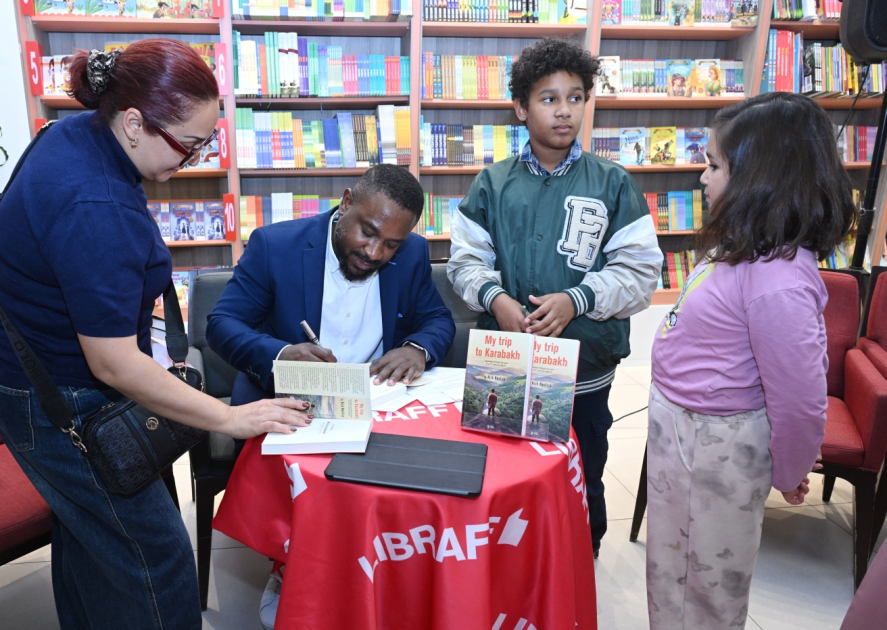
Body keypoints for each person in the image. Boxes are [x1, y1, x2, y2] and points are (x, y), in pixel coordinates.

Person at [0, 39, 311, 630]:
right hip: (61, 403)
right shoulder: (95, 203)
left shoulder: (75, 134)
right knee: (155, 557)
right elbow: (112, 364)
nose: (195, 159)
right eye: (189, 145)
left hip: (33, 381)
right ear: (133, 122)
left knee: (89, 542)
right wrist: (232, 418)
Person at [206, 163, 456, 630]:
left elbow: (437, 321)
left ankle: (383, 579)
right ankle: (296, 575)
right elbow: (221, 325)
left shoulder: (414, 254)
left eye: (391, 245)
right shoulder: (275, 245)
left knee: (413, 485)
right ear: (345, 203)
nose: (375, 251)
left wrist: (416, 348)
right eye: (368, 232)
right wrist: (282, 352)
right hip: (292, 405)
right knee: (318, 498)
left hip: (378, 406)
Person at [646, 92, 857, 630]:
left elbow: (800, 397)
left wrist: (789, 469)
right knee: (670, 569)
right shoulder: (743, 246)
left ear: (763, 178)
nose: (702, 178)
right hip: (680, 430)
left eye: (714, 165)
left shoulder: (781, 279)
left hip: (719, 445)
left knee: (711, 585)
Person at [447, 37, 662, 558]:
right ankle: (508, 556)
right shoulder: (491, 183)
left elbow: (641, 272)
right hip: (508, 361)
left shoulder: (614, 183)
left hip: (586, 363)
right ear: (521, 108)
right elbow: (463, 262)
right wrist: (495, 298)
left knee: (582, 461)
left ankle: (580, 551)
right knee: (505, 466)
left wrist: (579, 299)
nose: (564, 110)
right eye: (548, 98)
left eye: (575, 97)